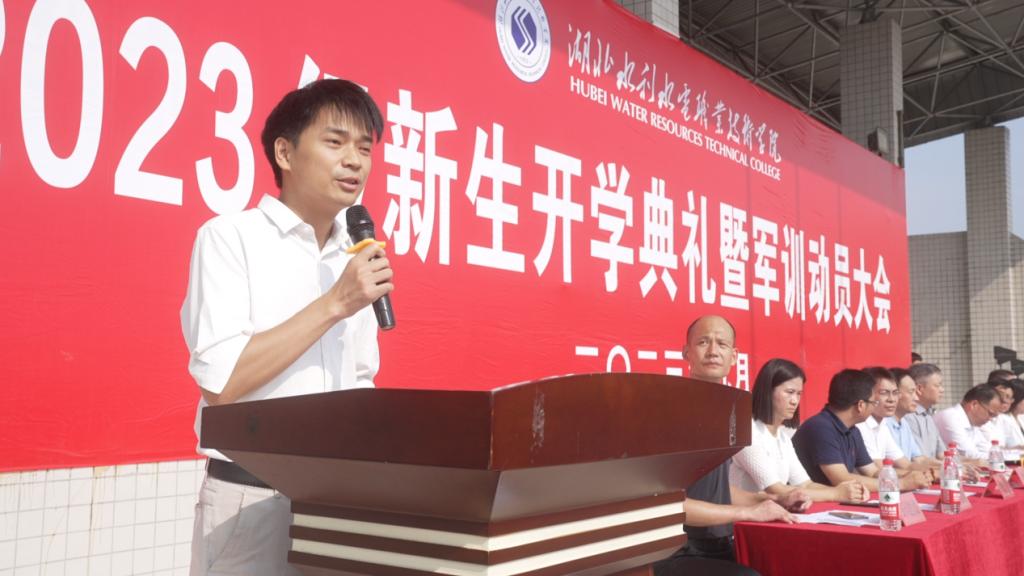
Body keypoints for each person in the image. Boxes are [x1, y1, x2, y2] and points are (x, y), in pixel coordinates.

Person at [181, 79, 393, 576]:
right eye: (335, 142)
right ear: (285, 153)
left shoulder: (355, 258)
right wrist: (335, 303)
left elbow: (361, 380)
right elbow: (222, 384)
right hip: (250, 503)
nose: (355, 162)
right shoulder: (230, 238)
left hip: (335, 505)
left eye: (365, 149)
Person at [654, 316, 806, 576]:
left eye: (722, 344)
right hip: (675, 549)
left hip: (721, 543)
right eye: (703, 342)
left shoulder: (727, 412)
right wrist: (748, 512)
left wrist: (772, 500)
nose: (713, 351)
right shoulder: (669, 412)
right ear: (686, 352)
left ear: (734, 357)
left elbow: (717, 491)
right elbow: (665, 505)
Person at [729, 358, 868, 503]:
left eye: (798, 394)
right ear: (767, 391)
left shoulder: (783, 438)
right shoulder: (747, 431)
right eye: (789, 392)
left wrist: (851, 491)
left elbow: (805, 484)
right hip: (744, 514)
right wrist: (836, 493)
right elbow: (777, 490)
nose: (794, 401)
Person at [791, 369, 930, 492]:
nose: (875, 406)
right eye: (874, 402)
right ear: (861, 405)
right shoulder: (821, 428)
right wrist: (900, 484)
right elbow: (841, 479)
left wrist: (910, 475)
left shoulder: (852, 430)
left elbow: (872, 472)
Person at [856, 367, 936, 477]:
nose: (891, 399)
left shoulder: (882, 425)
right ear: (867, 395)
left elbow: (906, 465)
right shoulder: (861, 425)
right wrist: (923, 475)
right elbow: (877, 469)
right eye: (884, 393)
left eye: (895, 393)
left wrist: (935, 471)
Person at [887, 368, 942, 470]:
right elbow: (904, 466)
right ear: (895, 394)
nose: (916, 398)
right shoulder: (883, 424)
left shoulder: (904, 423)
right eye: (911, 392)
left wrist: (948, 466)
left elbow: (919, 458)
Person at [934, 384, 1004, 459]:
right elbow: (968, 454)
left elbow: (985, 449)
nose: (990, 419)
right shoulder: (950, 417)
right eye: (990, 413)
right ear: (974, 404)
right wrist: (1001, 458)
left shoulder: (973, 423)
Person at [903, 363, 947, 459]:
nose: (942, 390)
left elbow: (942, 454)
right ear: (919, 389)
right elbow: (921, 459)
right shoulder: (908, 416)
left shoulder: (928, 414)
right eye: (937, 385)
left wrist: (967, 463)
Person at [985, 378, 1024, 449]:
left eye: (1009, 398)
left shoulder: (1019, 417)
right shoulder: (1003, 418)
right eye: (1001, 397)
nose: (1005, 401)